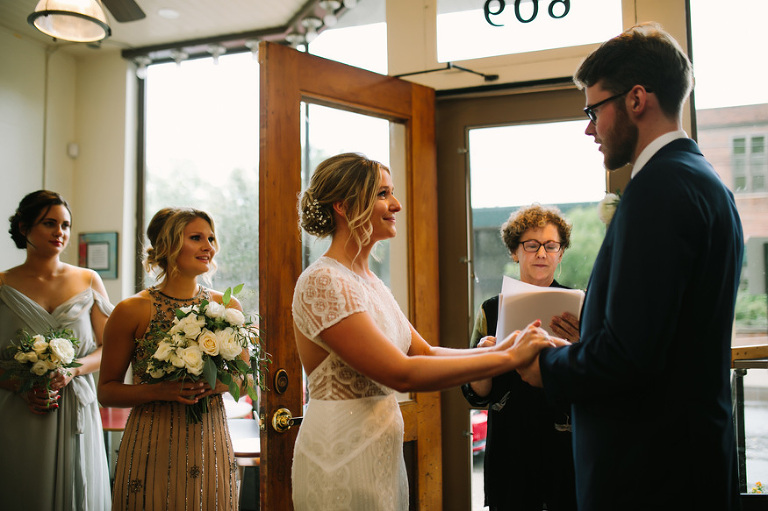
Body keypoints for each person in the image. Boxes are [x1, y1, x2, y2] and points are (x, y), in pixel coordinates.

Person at [516, 23, 744, 510]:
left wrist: (546, 364)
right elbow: (665, 337)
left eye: (594, 109)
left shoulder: (658, 189)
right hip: (689, 461)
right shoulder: (706, 183)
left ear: (636, 99)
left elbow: (629, 359)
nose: (588, 127)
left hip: (651, 475)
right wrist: (588, 340)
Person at [291, 152, 563, 511]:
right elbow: (401, 372)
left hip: (381, 454)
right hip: (340, 452)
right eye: (383, 193)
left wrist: (506, 345)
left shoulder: (368, 281)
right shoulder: (323, 281)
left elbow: (424, 352)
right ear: (343, 205)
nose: (397, 204)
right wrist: (510, 357)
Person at [99, 207, 242, 510]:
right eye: (196, 238)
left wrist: (216, 384)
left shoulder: (226, 306)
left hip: (209, 439)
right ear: (167, 245)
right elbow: (107, 390)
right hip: (152, 440)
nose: (209, 247)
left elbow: (245, 379)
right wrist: (160, 391)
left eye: (211, 238)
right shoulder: (131, 310)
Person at [461, 203, 579, 511]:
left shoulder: (581, 308)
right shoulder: (490, 309)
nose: (542, 253)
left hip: (564, 448)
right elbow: (475, 395)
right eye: (532, 245)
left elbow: (596, 381)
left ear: (561, 253)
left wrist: (582, 347)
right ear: (515, 251)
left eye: (551, 246)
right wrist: (484, 360)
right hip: (510, 448)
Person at [0, 190, 112, 510]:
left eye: (65, 225)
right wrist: (19, 386)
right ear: (24, 227)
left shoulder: (88, 280)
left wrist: (73, 369)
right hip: (17, 411)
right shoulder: (2, 284)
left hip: (75, 406)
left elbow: (108, 348)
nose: (60, 233)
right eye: (50, 223)